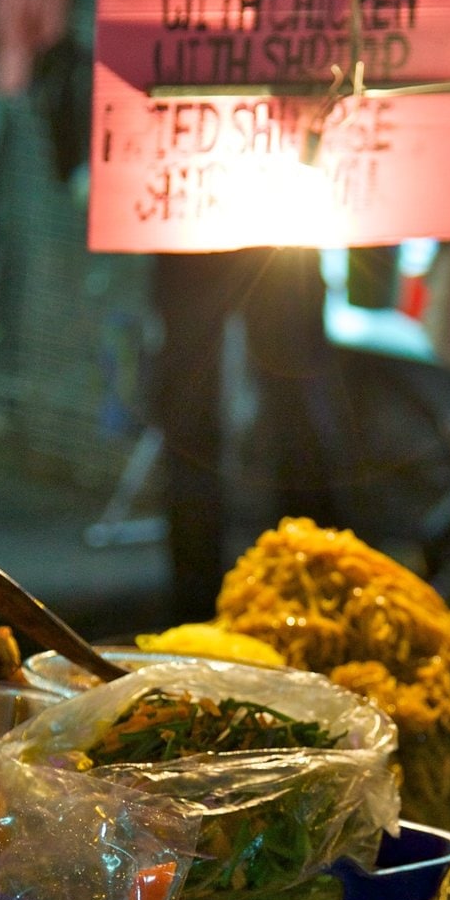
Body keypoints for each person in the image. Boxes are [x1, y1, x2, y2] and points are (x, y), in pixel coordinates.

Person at [150, 248, 348, 622]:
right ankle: (316, 597)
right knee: (293, 402)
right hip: (270, 240)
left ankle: (312, 594)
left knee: (291, 407)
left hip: (205, 233)